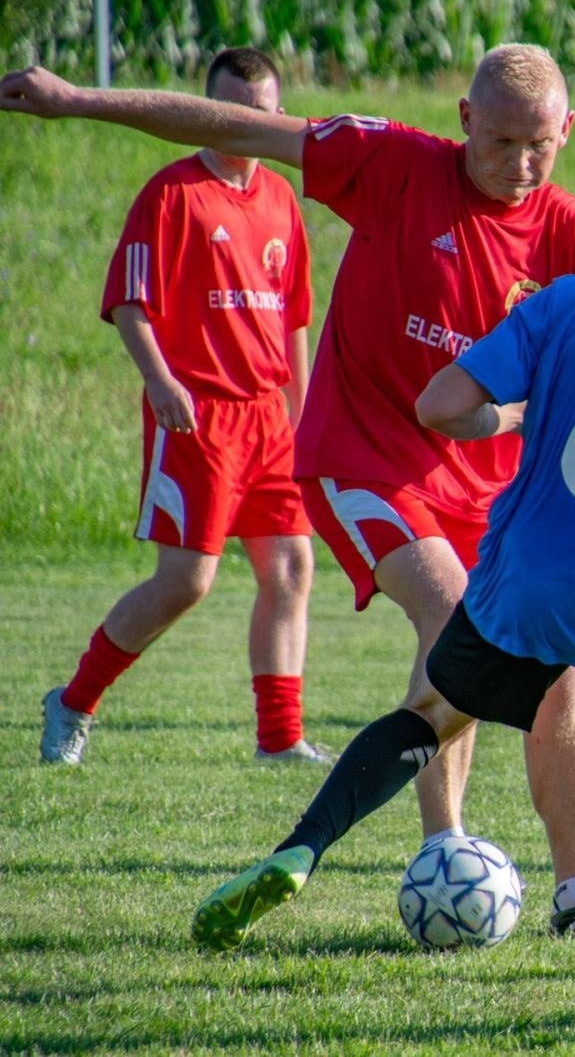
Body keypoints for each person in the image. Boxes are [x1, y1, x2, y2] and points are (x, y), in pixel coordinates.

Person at [2, 45, 575, 934]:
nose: (519, 166)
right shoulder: (393, 165)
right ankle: (441, 848)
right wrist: (77, 101)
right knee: (458, 621)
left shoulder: (574, 234)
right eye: (499, 142)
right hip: (366, 456)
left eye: (539, 146)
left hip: (490, 489)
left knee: (551, 669)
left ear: (567, 130)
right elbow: (231, 125)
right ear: (463, 120)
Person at [188, 149, 575, 979]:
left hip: (520, 581)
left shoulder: (571, 299)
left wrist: (514, 415)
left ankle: (300, 849)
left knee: (434, 710)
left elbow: (439, 404)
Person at [33, 47, 325, 766]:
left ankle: (280, 739)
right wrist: (162, 383)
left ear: (276, 116)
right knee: (187, 579)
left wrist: (304, 411)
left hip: (269, 418)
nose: (241, 123)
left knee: (289, 567)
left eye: (257, 113)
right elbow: (130, 305)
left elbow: (293, 321)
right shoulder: (172, 193)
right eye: (227, 108)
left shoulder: (283, 201)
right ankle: (73, 700)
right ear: (205, 108)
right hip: (199, 414)